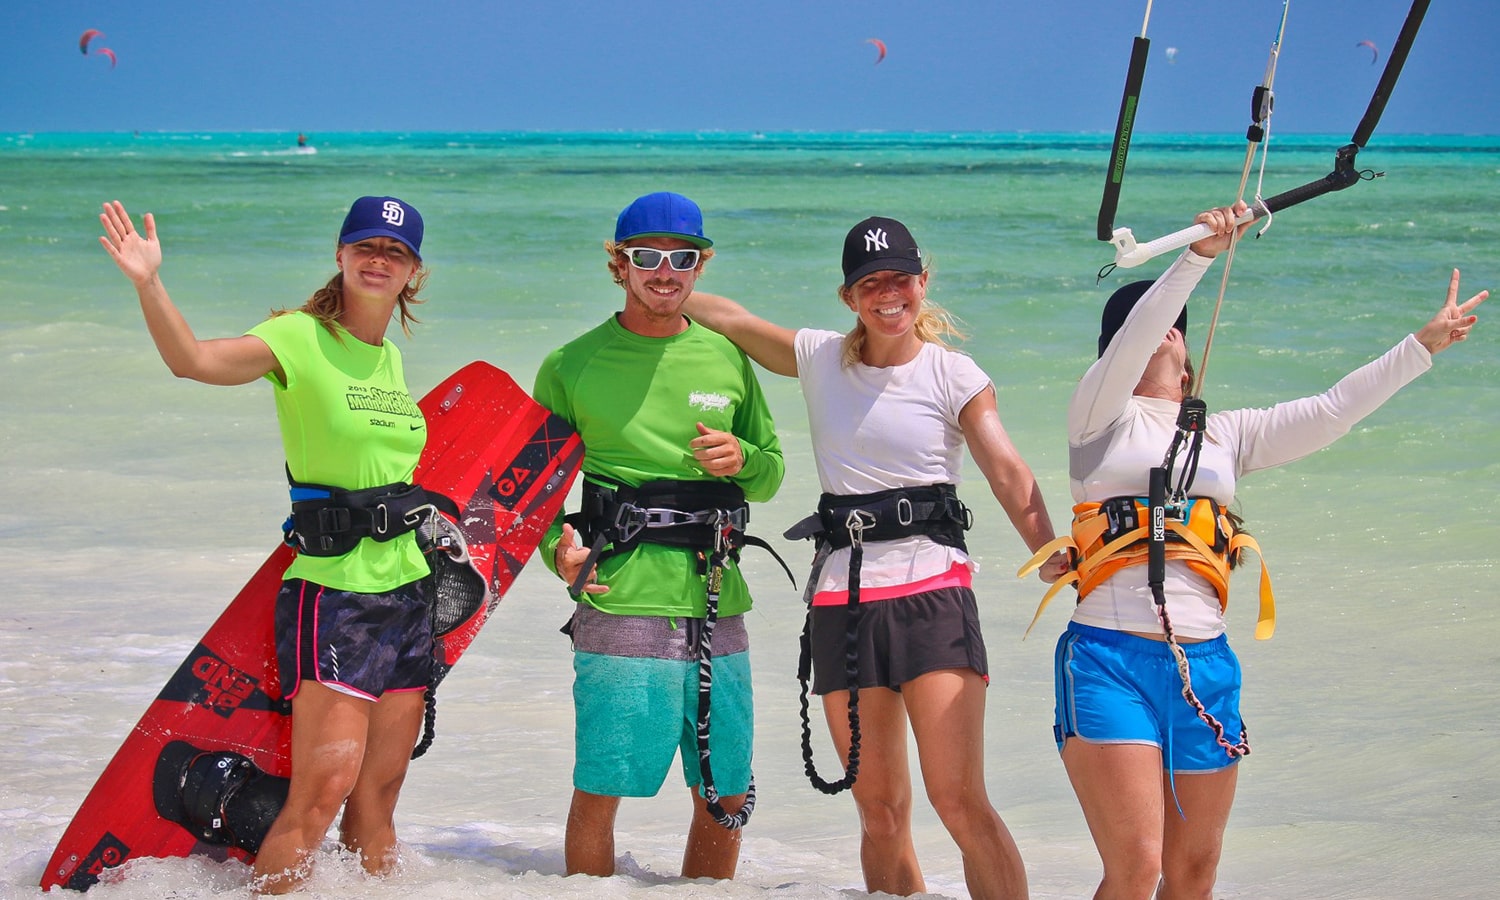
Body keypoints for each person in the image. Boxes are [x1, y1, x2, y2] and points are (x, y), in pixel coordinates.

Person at [1019, 203, 1486, 899]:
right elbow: (1140, 328)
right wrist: (1198, 256)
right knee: (1137, 866)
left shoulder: (1227, 435)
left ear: (1185, 350)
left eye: (1168, 328)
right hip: (1108, 658)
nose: (1160, 334)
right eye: (1144, 326)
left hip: (1205, 664)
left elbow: (1332, 411)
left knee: (1195, 874)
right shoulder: (1098, 420)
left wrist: (1421, 346)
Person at [684, 216, 1068, 900]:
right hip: (843, 603)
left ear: (922, 283)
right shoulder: (820, 357)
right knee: (881, 812)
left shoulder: (955, 375)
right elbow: (733, 319)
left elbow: (1005, 467)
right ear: (848, 296)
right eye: (870, 283)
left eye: (900, 279)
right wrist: (662, 281)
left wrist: (1047, 547)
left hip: (934, 598)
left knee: (959, 802)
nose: (887, 295)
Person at [98, 196, 439, 893]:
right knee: (319, 797)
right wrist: (148, 282)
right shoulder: (296, 338)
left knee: (379, 798)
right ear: (340, 255)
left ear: (414, 272)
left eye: (396, 252)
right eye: (366, 246)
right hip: (337, 593)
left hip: (409, 591)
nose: (379, 260)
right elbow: (192, 361)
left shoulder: (392, 361)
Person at [533, 191, 785, 880]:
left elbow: (771, 470)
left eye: (682, 258)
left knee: (725, 790)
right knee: (602, 788)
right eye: (646, 257)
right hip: (619, 595)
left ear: (701, 265)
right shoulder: (571, 364)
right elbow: (532, 489)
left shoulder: (727, 359)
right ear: (619, 265)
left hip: (718, 600)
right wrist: (557, 547)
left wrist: (745, 461)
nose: (665, 271)